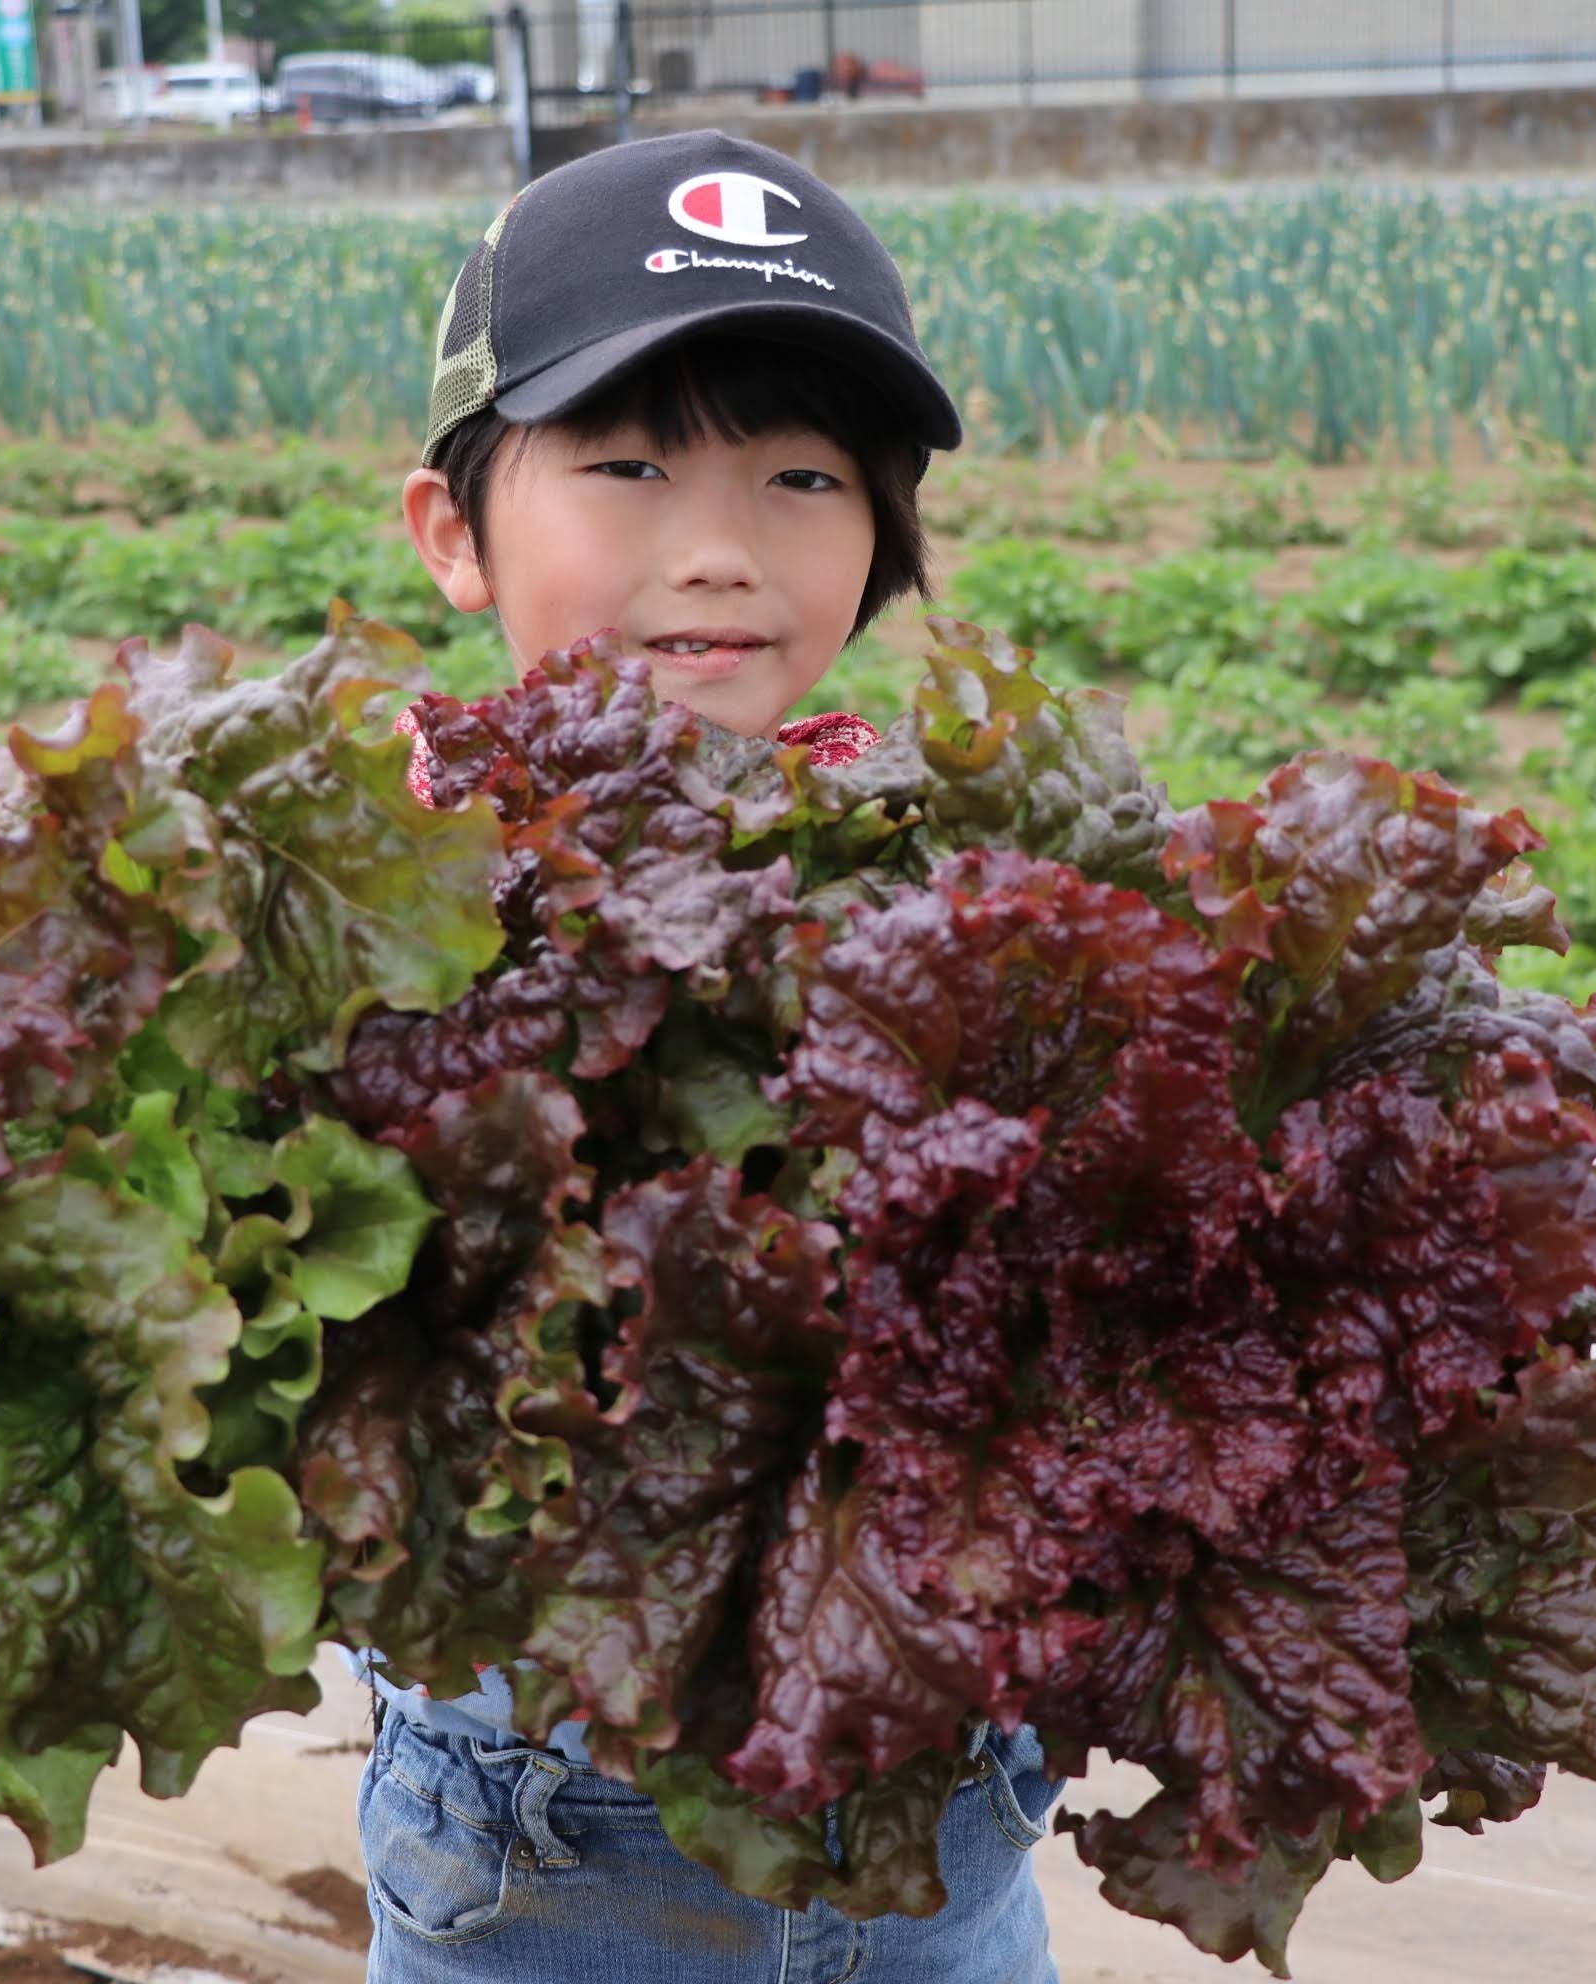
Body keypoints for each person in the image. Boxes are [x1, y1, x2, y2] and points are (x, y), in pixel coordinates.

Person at [374, 129, 1060, 1983]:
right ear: (452, 528)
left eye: (801, 473)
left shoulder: (947, 872)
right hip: (559, 1841)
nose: (719, 546)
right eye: (625, 460)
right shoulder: (382, 890)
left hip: (948, 1821)